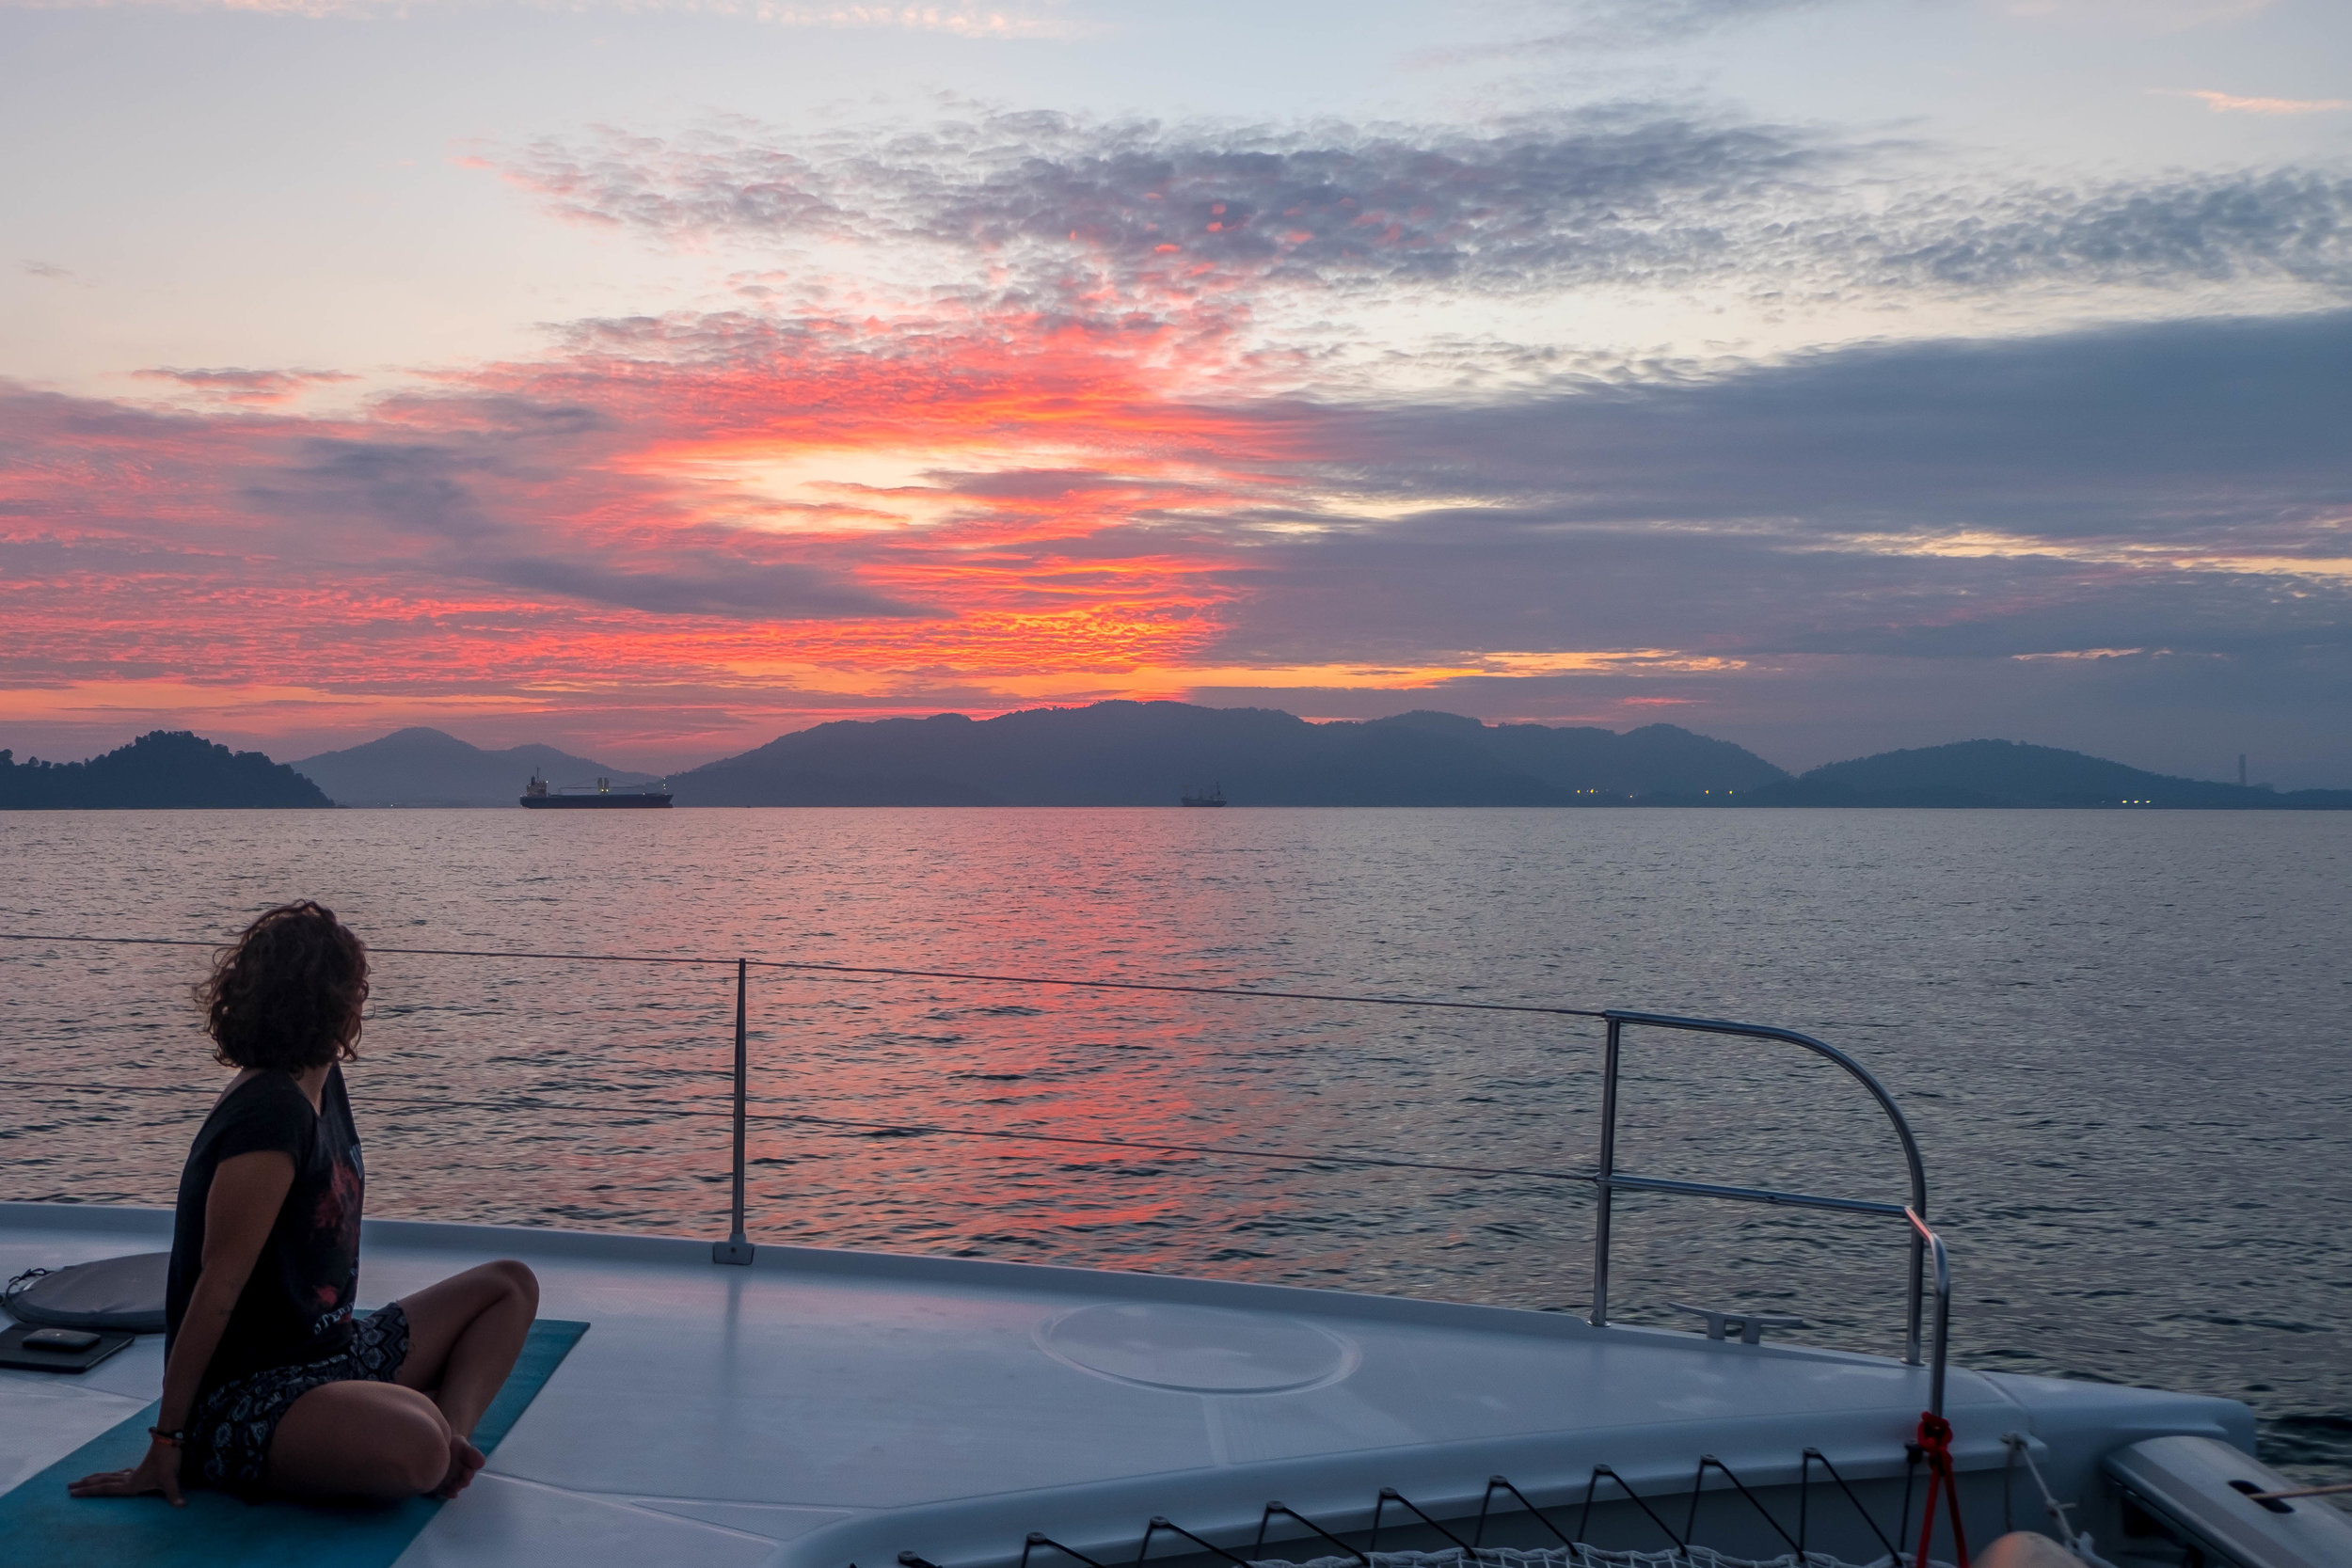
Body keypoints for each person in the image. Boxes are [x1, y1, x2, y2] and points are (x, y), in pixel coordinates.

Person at [69, 901, 539, 1506]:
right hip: (248, 1395)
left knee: (510, 1285)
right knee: (413, 1444)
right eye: (358, 986)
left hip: (332, 1355)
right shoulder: (270, 1115)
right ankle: (432, 1445)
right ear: (336, 1001)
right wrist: (167, 1438)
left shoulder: (323, 1082)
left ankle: (451, 1442)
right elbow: (216, 1290)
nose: (364, 998)